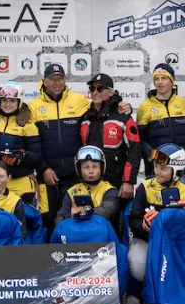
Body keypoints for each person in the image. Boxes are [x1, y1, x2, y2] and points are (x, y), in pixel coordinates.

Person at [30, 64, 131, 225]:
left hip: (75, 175)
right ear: (44, 82)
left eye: (60, 78)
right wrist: (43, 169)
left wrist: (121, 104)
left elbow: (103, 106)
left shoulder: (79, 101)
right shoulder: (33, 106)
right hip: (47, 175)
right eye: (52, 79)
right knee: (48, 219)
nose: (57, 83)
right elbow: (31, 143)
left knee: (79, 218)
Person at [127, 144, 185, 284]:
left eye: (163, 168)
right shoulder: (145, 187)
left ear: (177, 170)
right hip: (147, 240)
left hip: (176, 244)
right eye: (156, 166)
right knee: (138, 264)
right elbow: (133, 220)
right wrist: (143, 226)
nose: (157, 171)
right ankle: (145, 291)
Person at [81, 73, 141, 210]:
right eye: (92, 88)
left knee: (116, 226)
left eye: (100, 89)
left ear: (111, 92)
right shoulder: (85, 117)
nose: (95, 92)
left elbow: (134, 150)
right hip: (90, 184)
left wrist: (129, 181)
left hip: (117, 184)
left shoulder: (123, 116)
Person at [137, 63, 185, 178]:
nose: (160, 82)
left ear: (172, 81)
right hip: (156, 168)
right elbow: (140, 139)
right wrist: (152, 154)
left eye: (164, 78)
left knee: (182, 196)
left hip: (180, 168)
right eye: (157, 79)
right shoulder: (145, 107)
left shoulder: (183, 103)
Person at [0, 81, 42, 206]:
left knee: (24, 220)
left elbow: (37, 155)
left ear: (19, 102)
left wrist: (22, 155)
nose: (8, 104)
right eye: (4, 100)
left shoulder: (28, 124)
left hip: (21, 180)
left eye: (12, 101)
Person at [56, 146, 120, 226]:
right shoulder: (71, 192)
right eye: (86, 167)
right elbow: (60, 220)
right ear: (79, 170)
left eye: (95, 166)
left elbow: (107, 211)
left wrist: (80, 213)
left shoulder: (109, 190)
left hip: (102, 235)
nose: (91, 171)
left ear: (102, 168)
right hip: (77, 234)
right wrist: (70, 217)